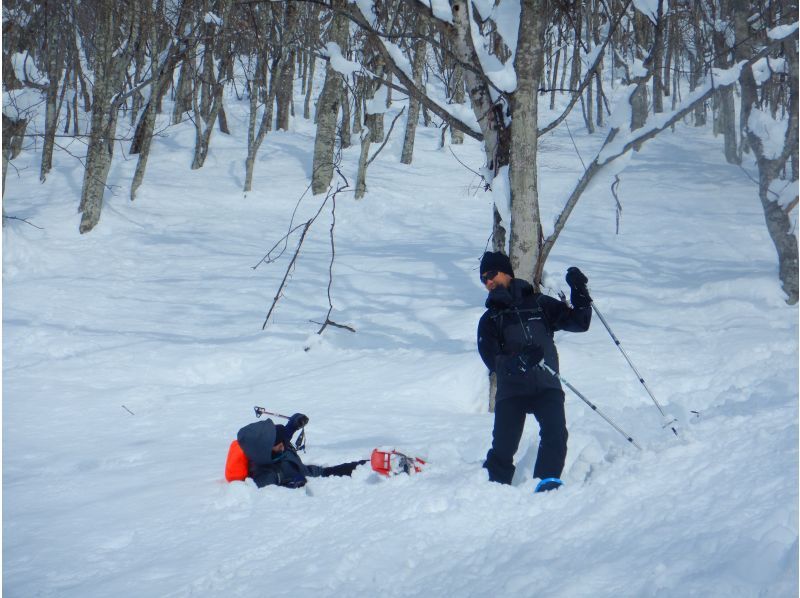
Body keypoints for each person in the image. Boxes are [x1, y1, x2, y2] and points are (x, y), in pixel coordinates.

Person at [476, 251, 592, 492]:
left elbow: (580, 323)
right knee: (503, 448)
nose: (487, 282)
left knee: (556, 435)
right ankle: (493, 492)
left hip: (546, 386)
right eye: (483, 279)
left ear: (506, 273)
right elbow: (492, 361)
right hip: (512, 392)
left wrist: (579, 290)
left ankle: (545, 485)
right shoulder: (490, 319)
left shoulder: (539, 304)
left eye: (490, 275)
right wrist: (519, 362)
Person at [237, 414, 367, 488]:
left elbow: (283, 437)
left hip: (317, 473)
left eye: (283, 442)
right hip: (317, 484)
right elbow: (271, 499)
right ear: (264, 449)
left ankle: (372, 464)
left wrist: (294, 424)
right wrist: (291, 485)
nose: (283, 446)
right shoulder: (265, 476)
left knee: (362, 467)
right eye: (278, 445)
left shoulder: (275, 449)